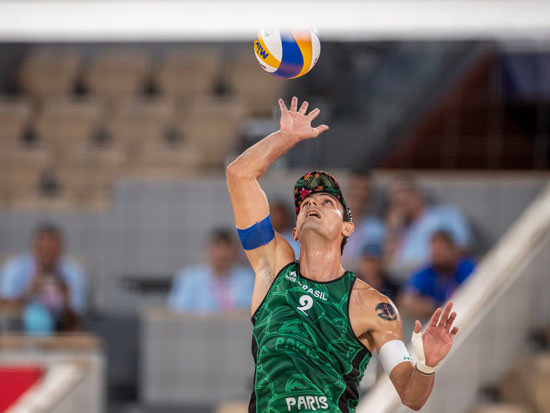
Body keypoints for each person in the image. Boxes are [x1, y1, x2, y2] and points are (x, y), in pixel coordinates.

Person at [226, 97, 459, 412]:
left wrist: (426, 366)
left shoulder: (373, 305)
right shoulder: (274, 268)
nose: (312, 203)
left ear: (348, 227)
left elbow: (411, 396)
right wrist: (285, 137)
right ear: (295, 231)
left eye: (327, 202)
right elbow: (239, 175)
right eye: (306, 204)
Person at [0, 223, 87, 332]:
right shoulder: (15, 268)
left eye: (52, 250)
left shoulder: (73, 273)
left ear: (61, 249)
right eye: (43, 249)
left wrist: (66, 302)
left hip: (61, 331)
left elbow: (78, 319)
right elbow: (3, 308)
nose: (47, 255)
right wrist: (28, 294)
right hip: (20, 331)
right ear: (34, 248)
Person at [385, 177, 472, 279]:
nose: (399, 198)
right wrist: (393, 230)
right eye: (395, 200)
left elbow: (462, 248)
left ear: (418, 194)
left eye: (404, 192)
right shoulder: (400, 229)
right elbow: (388, 264)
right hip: (403, 280)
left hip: (438, 276)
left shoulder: (447, 214)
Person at [167, 228, 254, 314]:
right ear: (207, 249)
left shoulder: (248, 278)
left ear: (235, 251)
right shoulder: (188, 278)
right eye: (217, 246)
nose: (222, 253)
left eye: (227, 248)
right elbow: (177, 311)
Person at [398, 230, 476, 321]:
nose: (438, 257)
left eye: (442, 252)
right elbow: (406, 300)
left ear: (452, 249)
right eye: (435, 254)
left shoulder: (465, 266)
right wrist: (435, 308)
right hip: (441, 318)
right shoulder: (429, 271)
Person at [341, 172, 386, 272]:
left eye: (364, 190)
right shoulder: (331, 223)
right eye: (354, 188)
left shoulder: (377, 227)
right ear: (347, 192)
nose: (358, 194)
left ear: (369, 196)